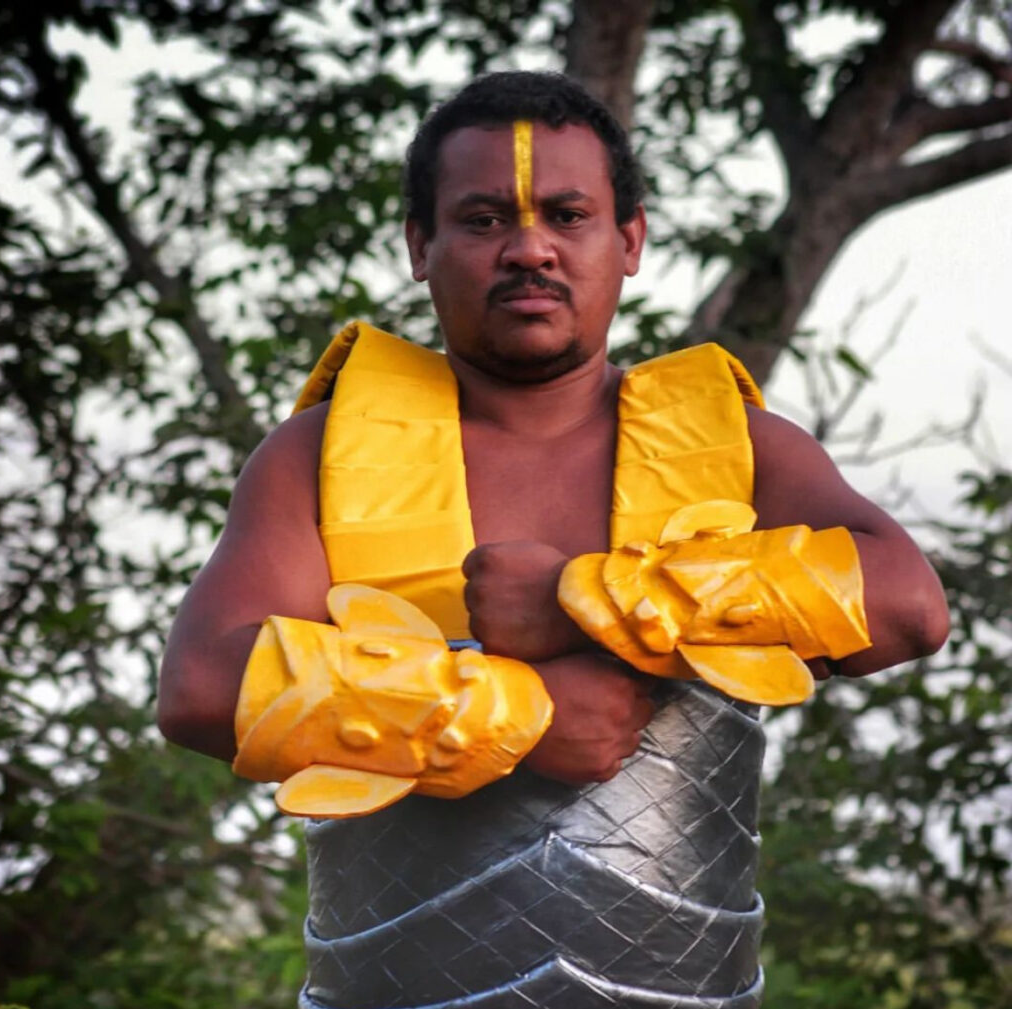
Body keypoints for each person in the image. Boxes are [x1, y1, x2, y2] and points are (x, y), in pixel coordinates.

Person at [159, 72, 949, 1008]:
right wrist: (516, 714)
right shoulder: (323, 451)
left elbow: (907, 603)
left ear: (629, 241)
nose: (530, 247)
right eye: (485, 219)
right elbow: (202, 686)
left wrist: (584, 594)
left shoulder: (735, 444)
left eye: (568, 215)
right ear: (422, 245)